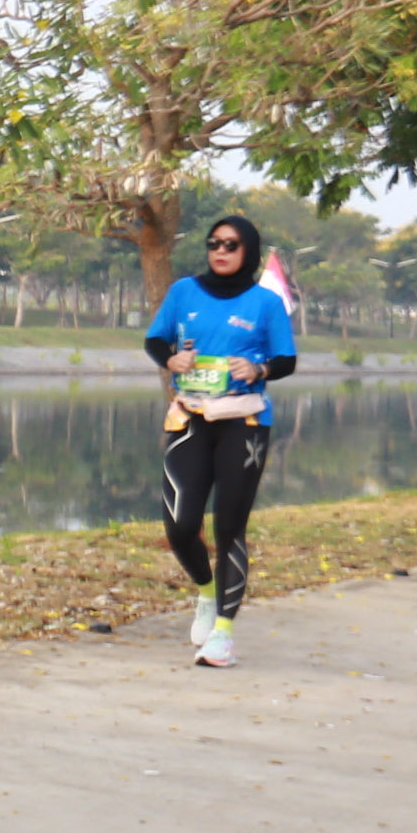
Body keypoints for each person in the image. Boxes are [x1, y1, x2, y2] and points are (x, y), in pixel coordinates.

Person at [142, 213, 300, 667]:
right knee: (180, 525)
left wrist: (259, 368)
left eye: (231, 244)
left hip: (243, 423)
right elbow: (155, 341)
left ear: (248, 251)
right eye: (214, 243)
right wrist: (171, 360)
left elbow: (286, 359)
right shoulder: (183, 292)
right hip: (190, 418)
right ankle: (206, 594)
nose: (221, 251)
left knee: (229, 527)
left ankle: (224, 635)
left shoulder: (265, 302)